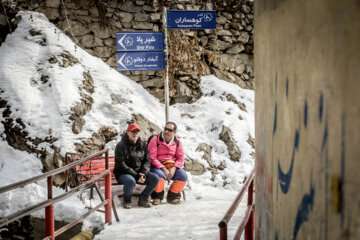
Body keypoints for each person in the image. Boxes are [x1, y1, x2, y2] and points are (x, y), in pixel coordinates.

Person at [113, 123, 159, 209]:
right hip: (123, 173)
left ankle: (143, 199)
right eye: (133, 131)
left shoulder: (142, 144)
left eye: (137, 131)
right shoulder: (121, 145)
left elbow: (147, 160)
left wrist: (143, 173)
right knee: (131, 181)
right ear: (127, 132)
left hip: (139, 173)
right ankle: (127, 200)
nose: (135, 133)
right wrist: (137, 175)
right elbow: (121, 165)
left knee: (155, 178)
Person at [148, 121, 188, 204]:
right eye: (165, 129)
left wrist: (174, 168)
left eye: (169, 130)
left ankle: (172, 197)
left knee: (183, 176)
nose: (166, 131)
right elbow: (152, 157)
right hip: (157, 167)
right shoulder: (155, 140)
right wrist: (163, 168)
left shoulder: (177, 142)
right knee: (160, 176)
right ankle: (157, 197)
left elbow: (180, 157)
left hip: (172, 166)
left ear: (174, 132)